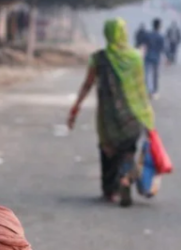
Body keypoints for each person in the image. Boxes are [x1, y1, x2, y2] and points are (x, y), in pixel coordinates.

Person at [67, 19, 157, 207]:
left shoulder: (99, 58)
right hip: (132, 114)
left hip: (108, 117)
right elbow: (141, 90)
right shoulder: (134, 58)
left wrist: (76, 107)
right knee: (128, 151)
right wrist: (147, 115)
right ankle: (125, 178)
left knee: (108, 150)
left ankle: (110, 191)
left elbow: (87, 84)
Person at [142, 19, 167, 97]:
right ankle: (154, 91)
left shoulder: (148, 34)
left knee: (146, 74)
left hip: (148, 56)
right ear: (159, 26)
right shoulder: (161, 36)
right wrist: (167, 58)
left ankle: (146, 90)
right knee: (155, 75)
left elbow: (143, 45)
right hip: (156, 57)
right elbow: (163, 48)